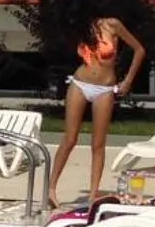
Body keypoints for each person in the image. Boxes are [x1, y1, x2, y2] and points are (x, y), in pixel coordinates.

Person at [47, 14, 146, 203]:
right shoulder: (82, 27)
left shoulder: (112, 25)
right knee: (69, 139)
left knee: (98, 144)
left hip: (104, 88)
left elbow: (139, 50)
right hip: (80, 83)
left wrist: (128, 81)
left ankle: (93, 195)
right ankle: (51, 189)